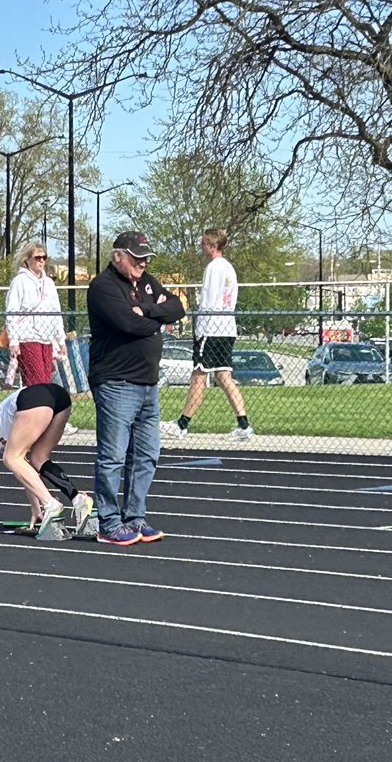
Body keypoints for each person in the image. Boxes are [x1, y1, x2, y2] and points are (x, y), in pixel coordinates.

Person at [87, 231, 185, 546]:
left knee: (146, 454)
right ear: (118, 256)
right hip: (116, 383)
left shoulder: (146, 282)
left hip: (147, 383)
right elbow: (129, 324)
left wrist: (149, 310)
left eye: (145, 258)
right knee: (113, 456)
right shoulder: (103, 287)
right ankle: (109, 523)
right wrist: (155, 319)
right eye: (136, 257)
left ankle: (135, 518)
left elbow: (177, 307)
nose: (142, 263)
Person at [0, 383, 94, 540]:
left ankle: (51, 505)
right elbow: (26, 473)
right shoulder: (2, 435)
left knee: (10, 458)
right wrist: (36, 510)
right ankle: (78, 500)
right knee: (38, 458)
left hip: (34, 399)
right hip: (59, 398)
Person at [161, 228, 255, 440]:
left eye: (204, 243)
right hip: (227, 328)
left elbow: (209, 302)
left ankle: (182, 424)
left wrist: (200, 329)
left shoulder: (214, 267)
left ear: (213, 246)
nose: (201, 246)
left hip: (212, 329)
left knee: (198, 375)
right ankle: (244, 424)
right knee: (224, 376)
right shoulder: (229, 268)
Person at [5, 242, 67, 387]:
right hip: (28, 338)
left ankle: (40, 408)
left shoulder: (49, 283)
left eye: (44, 257)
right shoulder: (19, 282)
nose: (41, 261)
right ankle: (34, 408)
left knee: (45, 382)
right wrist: (13, 341)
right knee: (35, 382)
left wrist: (61, 340)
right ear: (27, 260)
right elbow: (12, 312)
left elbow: (56, 313)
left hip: (47, 339)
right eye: (37, 257)